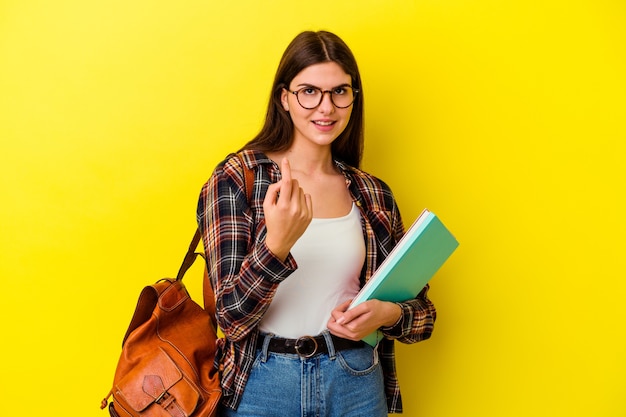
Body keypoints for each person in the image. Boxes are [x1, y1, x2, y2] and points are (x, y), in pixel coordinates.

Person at [197, 30, 436, 417]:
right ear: (284, 98)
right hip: (262, 385)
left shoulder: (372, 193)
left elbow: (423, 314)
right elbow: (230, 316)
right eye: (309, 91)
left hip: (355, 379)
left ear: (353, 99)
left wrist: (387, 314)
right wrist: (277, 245)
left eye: (340, 92)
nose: (326, 107)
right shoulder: (238, 177)